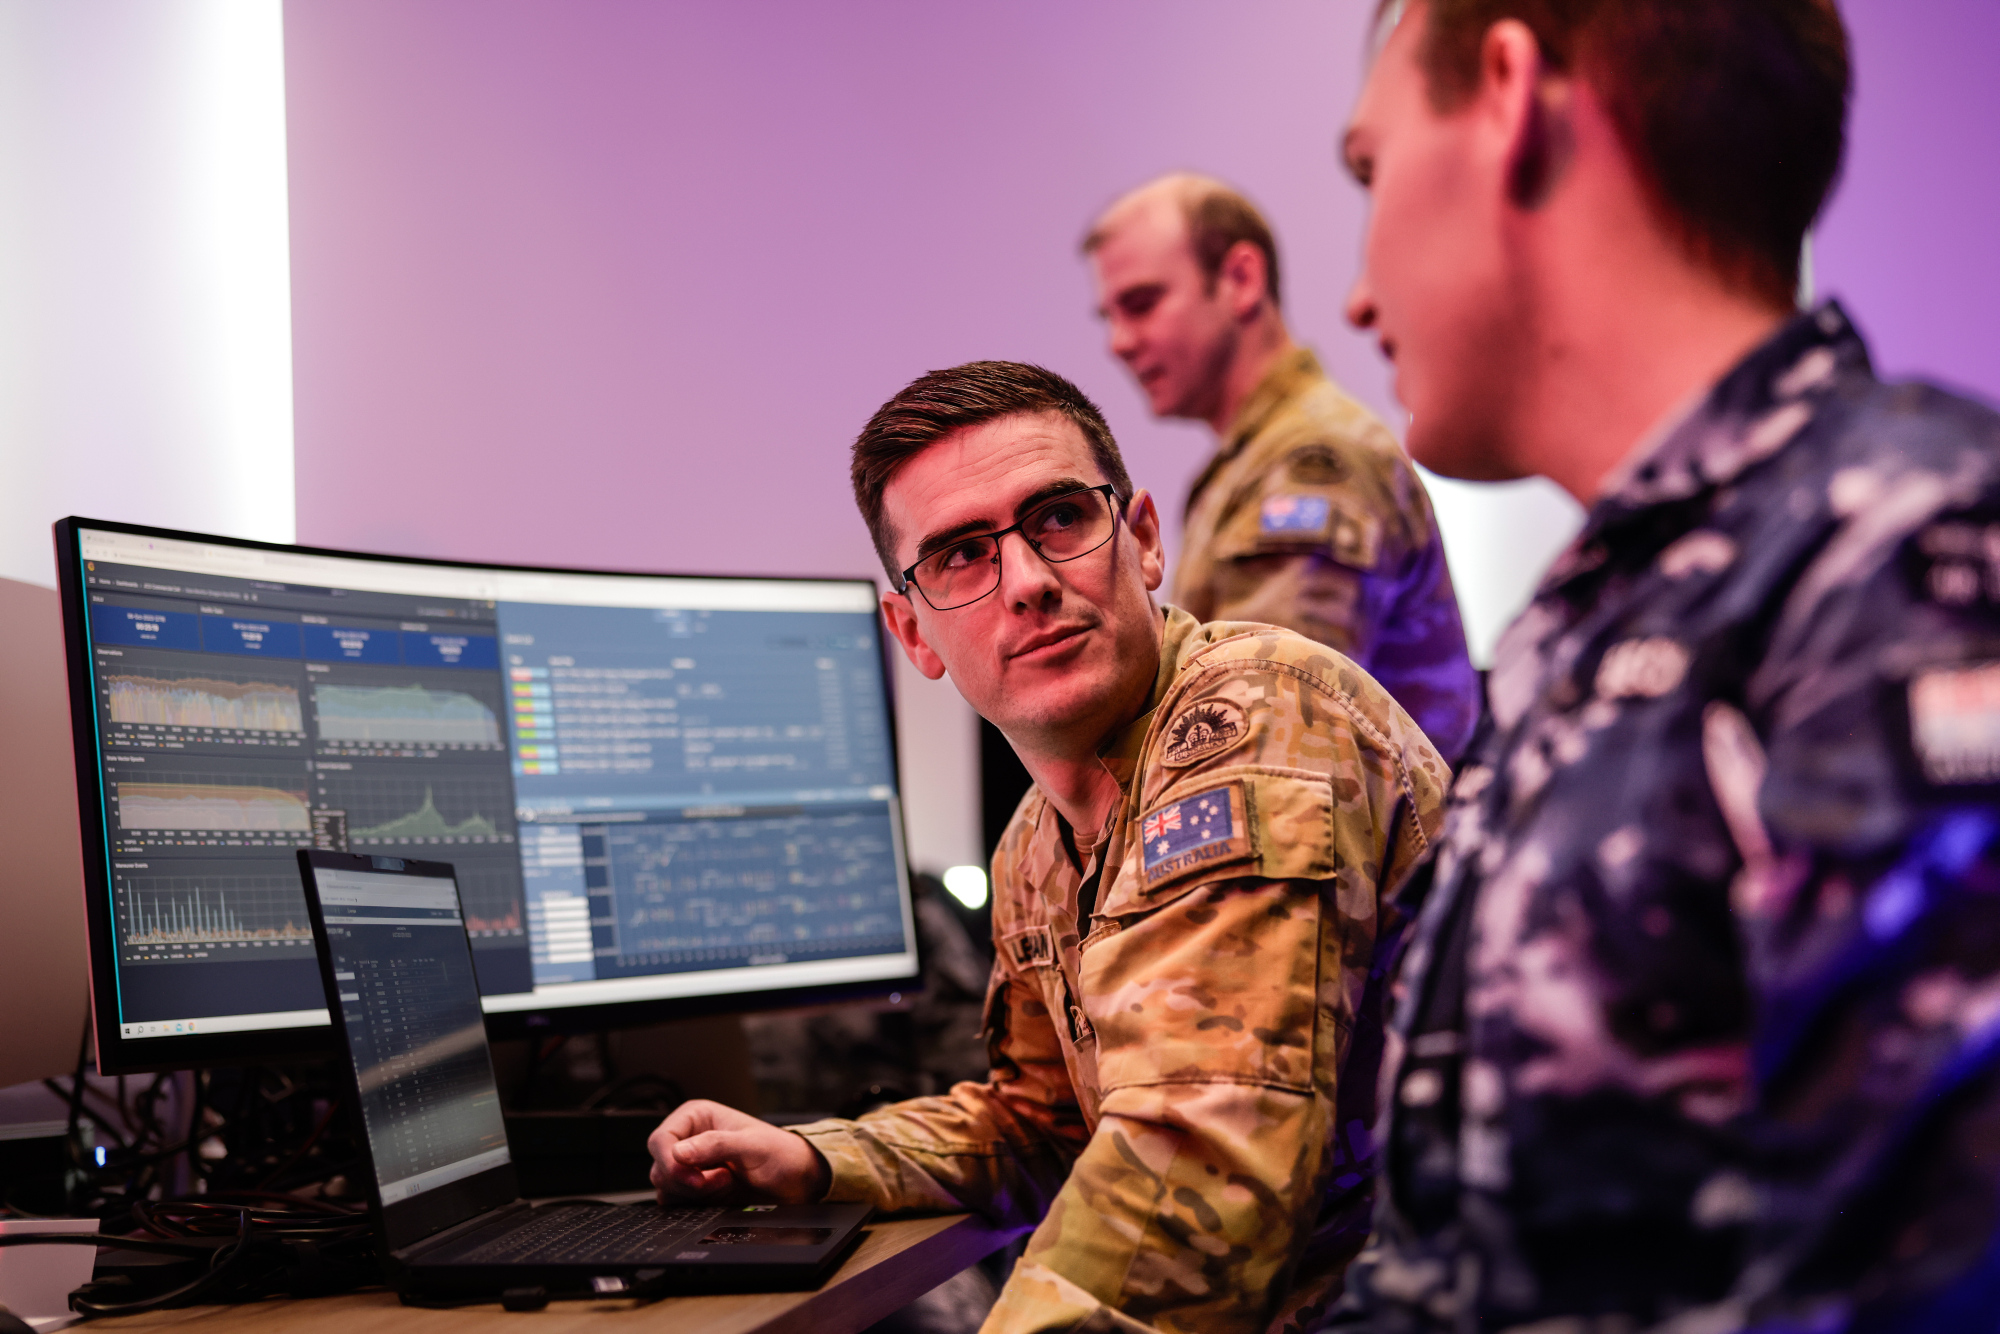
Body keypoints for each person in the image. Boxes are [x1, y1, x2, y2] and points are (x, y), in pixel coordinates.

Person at [1331, 1, 2000, 1329]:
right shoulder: (1593, 614)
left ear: (1512, 96)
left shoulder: (1903, 556)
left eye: (1371, 168)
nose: (1354, 290)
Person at [648, 361, 1452, 1334]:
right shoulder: (1035, 842)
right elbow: (1044, 1123)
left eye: (1060, 518)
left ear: (1143, 540)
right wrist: (822, 1155)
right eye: (958, 554)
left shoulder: (1253, 717)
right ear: (914, 634)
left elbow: (1194, 1166)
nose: (1026, 581)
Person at [1083, 174, 1480, 763]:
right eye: (1109, 316)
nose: (1119, 341)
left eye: (1142, 304)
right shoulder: (1260, 456)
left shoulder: (1313, 462)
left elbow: (1264, 725)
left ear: (1241, 280)